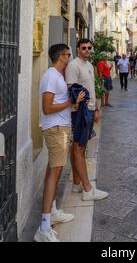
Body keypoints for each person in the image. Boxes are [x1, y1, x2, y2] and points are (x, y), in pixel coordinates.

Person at [34, 44, 85, 242]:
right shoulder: (51, 76)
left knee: (52, 171)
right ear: (61, 56)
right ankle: (44, 227)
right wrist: (71, 104)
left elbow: (59, 102)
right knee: (54, 175)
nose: (70, 57)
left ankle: (53, 212)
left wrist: (74, 101)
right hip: (55, 129)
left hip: (60, 127)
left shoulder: (57, 76)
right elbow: (47, 107)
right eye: (68, 54)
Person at [65, 39, 108, 202]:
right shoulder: (73, 66)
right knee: (78, 148)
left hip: (89, 110)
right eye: (84, 48)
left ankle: (77, 183)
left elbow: (91, 90)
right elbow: (72, 90)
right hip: (80, 113)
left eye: (90, 47)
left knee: (79, 148)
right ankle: (88, 190)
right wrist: (83, 109)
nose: (87, 50)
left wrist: (96, 108)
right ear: (78, 49)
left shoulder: (89, 65)